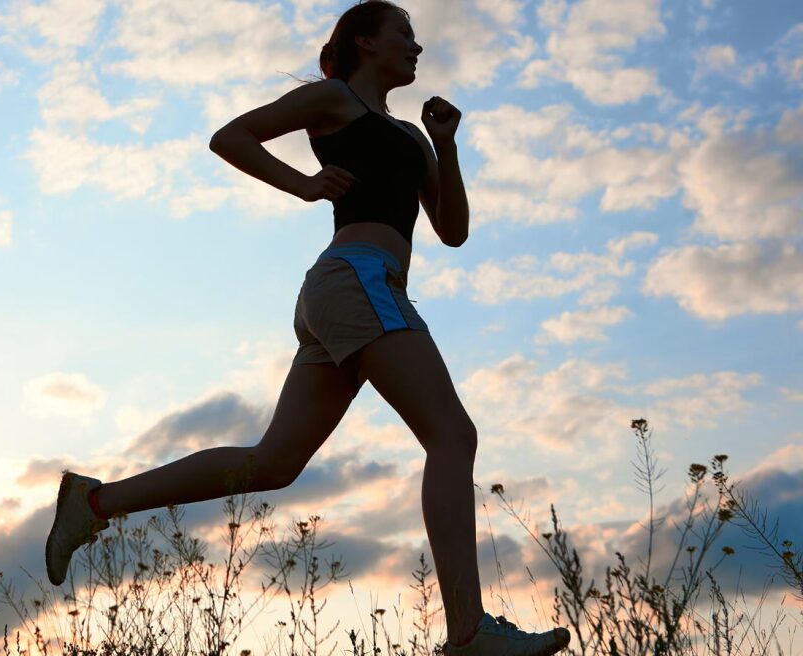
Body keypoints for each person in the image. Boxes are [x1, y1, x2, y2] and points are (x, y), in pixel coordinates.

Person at [45, 2, 571, 654]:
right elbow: (231, 137)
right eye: (404, 33)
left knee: (274, 463)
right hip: (358, 282)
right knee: (452, 434)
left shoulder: (409, 136)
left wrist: (446, 145)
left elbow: (454, 230)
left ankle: (93, 504)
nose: (417, 46)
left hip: (347, 294)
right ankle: (467, 634)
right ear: (364, 41)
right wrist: (303, 185)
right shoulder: (334, 98)